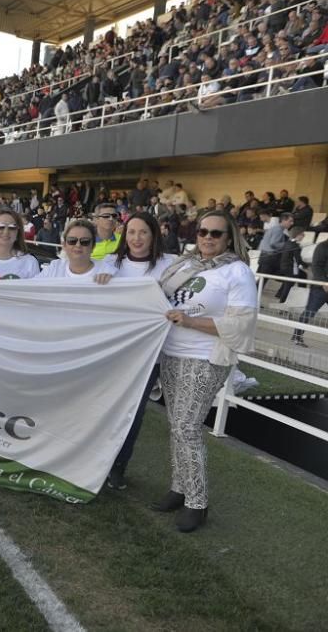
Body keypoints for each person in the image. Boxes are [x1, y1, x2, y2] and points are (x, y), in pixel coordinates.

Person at [153, 210, 257, 532]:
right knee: (176, 424)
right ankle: (179, 487)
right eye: (202, 232)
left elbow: (242, 324)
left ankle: (197, 502)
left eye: (216, 233)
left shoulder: (236, 272)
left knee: (187, 426)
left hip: (206, 358)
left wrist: (189, 321)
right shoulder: (185, 265)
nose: (207, 238)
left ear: (228, 238)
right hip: (172, 353)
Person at [98, 213, 177, 490]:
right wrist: (102, 277)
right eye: (131, 232)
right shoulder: (111, 264)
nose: (136, 239)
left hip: (148, 357)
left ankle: (118, 466)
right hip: (113, 354)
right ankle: (93, 462)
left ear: (154, 235)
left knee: (132, 415)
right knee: (103, 410)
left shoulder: (170, 265)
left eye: (143, 232)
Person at [37, 219, 116, 279]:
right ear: (64, 245)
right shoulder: (54, 268)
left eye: (85, 241)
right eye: (72, 241)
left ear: (93, 247)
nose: (78, 245)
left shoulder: (108, 273)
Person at [292, 239, 328, 347]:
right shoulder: (322, 247)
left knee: (309, 312)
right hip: (321, 288)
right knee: (309, 312)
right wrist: (324, 283)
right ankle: (297, 336)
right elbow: (316, 266)